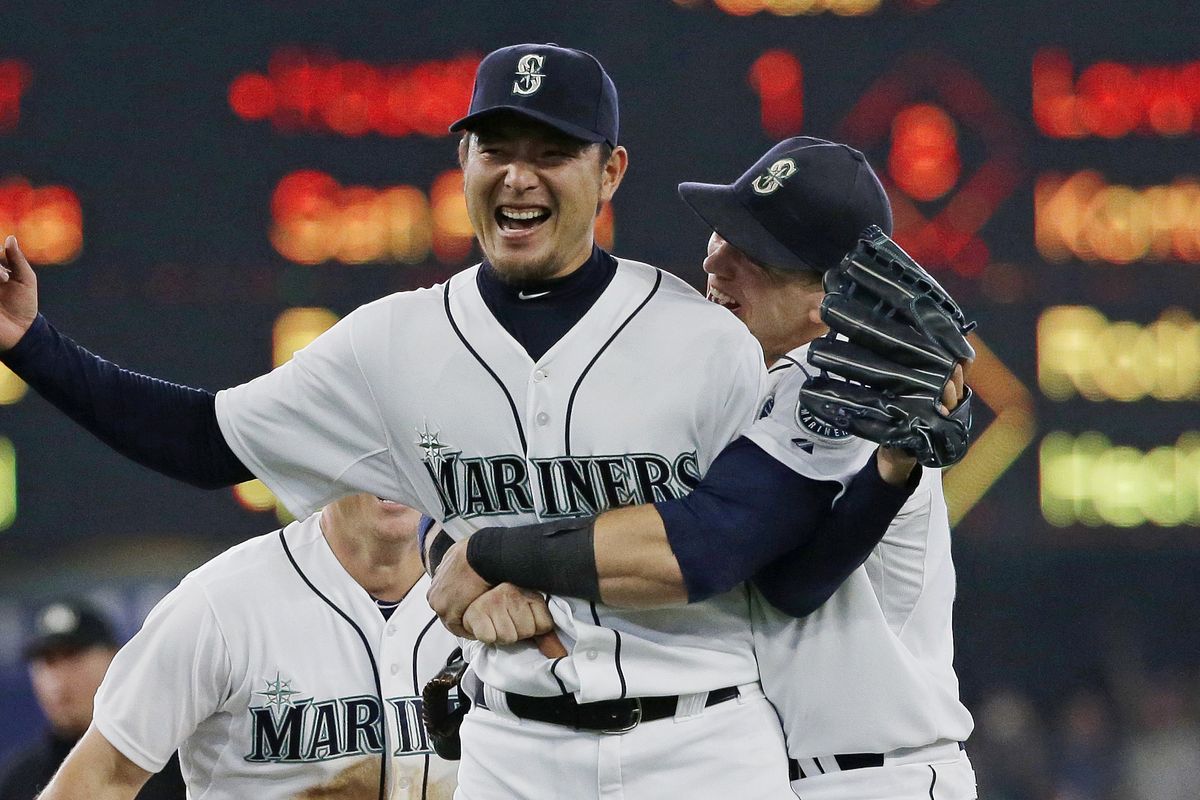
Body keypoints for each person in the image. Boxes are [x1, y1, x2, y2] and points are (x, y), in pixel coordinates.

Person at [0, 45, 942, 798]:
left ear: (608, 171)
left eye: (552, 152)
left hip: (704, 743)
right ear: (462, 163)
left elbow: (749, 549)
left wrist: (484, 546)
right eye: (497, 148)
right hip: (509, 752)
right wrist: (33, 343)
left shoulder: (709, 339)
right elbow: (202, 439)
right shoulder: (392, 346)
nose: (519, 176)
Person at [430, 138, 979, 799]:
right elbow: (497, 478)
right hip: (772, 768)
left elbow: (751, 566)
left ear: (830, 299)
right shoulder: (741, 398)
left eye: (754, 252)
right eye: (724, 233)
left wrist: (493, 554)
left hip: (877, 775)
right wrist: (459, 555)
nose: (714, 260)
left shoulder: (855, 391)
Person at [36, 495, 459, 800]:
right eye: (371, 439)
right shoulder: (218, 604)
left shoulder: (494, 596)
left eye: (403, 436)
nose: (391, 463)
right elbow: (97, 781)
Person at [0, 599, 184, 800]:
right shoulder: (17, 780)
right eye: (48, 661)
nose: (58, 680)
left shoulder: (171, 763)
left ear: (114, 659)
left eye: (73, 656)